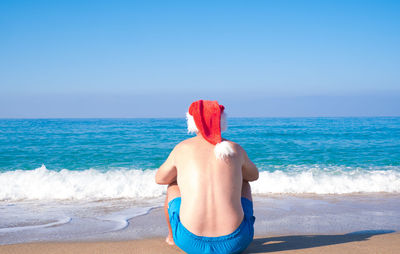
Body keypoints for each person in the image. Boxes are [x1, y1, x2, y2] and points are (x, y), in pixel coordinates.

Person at [155, 100, 259, 254]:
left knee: (172, 186)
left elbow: (160, 178)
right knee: (245, 184)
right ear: (221, 121)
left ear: (192, 123)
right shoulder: (234, 148)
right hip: (235, 242)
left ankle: (171, 236)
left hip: (189, 242)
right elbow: (253, 175)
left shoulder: (182, 148)